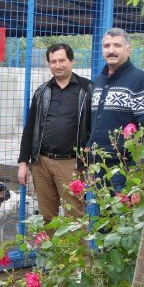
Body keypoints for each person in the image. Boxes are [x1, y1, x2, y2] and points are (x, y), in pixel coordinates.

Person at [18, 43, 92, 224]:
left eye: (62, 60)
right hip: (41, 163)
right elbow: (30, 128)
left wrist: (91, 164)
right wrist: (22, 162)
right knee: (47, 216)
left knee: (75, 216)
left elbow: (94, 127)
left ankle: (76, 254)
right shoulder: (42, 91)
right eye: (53, 61)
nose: (58, 65)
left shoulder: (87, 89)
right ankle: (51, 253)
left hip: (71, 164)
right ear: (48, 64)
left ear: (72, 61)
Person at [87, 28, 144, 191]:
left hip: (123, 169)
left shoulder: (141, 80)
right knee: (99, 216)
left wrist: (135, 169)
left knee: (119, 216)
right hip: (98, 166)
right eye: (106, 46)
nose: (111, 50)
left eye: (117, 45)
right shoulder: (99, 81)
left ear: (128, 49)